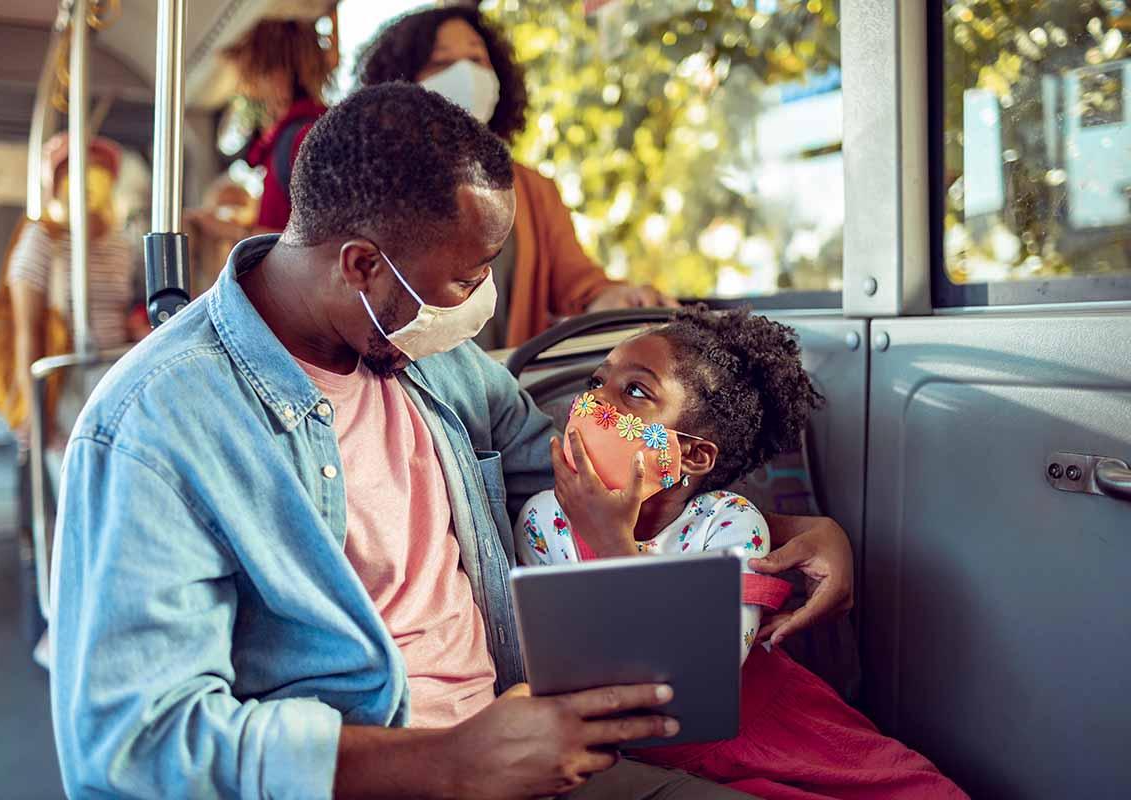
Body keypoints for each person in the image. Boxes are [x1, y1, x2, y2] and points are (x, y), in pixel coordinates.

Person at [51, 84, 852, 798]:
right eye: (465, 282)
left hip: (525, 749)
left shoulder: (430, 362)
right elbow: (135, 745)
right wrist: (446, 764)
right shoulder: (156, 428)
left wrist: (793, 536)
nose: (477, 306)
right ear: (362, 265)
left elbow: (591, 485)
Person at [515, 307, 967, 799]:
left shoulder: (729, 523)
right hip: (629, 752)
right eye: (597, 382)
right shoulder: (544, 520)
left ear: (692, 456)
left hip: (764, 735)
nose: (597, 402)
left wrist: (611, 544)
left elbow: (693, 678)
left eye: (636, 392)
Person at [358, 6, 677, 349]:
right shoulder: (374, 183)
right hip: (402, 390)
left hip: (503, 392)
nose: (465, 73)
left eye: (477, 59)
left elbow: (580, 287)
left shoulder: (532, 190)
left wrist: (620, 301)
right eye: (442, 63)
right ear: (399, 85)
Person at [8, 133, 137, 461]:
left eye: (98, 171)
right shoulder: (41, 239)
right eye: (79, 171)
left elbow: (125, 310)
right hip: (64, 380)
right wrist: (36, 409)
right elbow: (27, 329)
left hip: (117, 373)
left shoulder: (123, 243)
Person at [223, 13, 336, 232]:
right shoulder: (299, 137)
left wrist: (232, 232)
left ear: (279, 77)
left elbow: (317, 238)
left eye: (258, 75)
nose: (254, 92)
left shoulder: (302, 140)